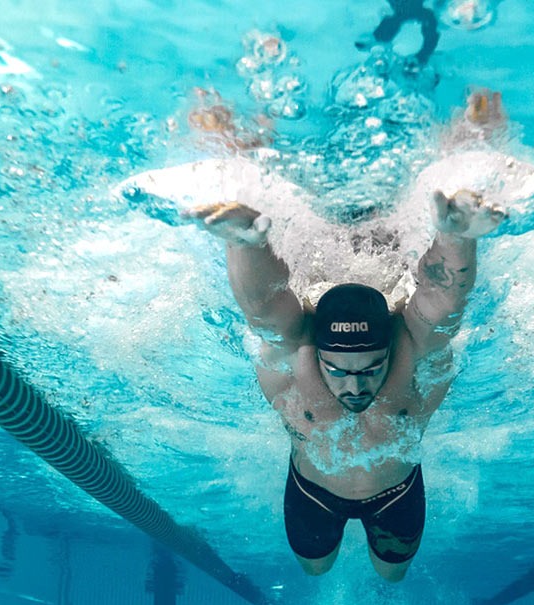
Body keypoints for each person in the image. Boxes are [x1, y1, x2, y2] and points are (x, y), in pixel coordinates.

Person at [186, 190, 505, 582]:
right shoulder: (295, 350)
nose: (356, 387)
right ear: (319, 353)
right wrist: (245, 244)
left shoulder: (412, 348)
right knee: (315, 570)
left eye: (372, 368)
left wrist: (456, 238)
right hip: (312, 495)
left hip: (396, 496)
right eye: (337, 371)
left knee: (392, 577)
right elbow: (264, 309)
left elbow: (442, 303)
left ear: (390, 346)